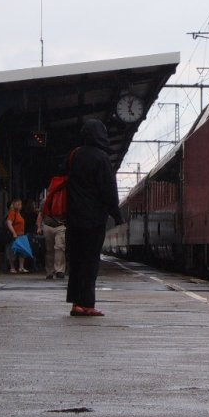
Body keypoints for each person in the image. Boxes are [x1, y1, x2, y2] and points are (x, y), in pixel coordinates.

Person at [66, 119, 123, 317]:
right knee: (90, 261)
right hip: (93, 219)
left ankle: (75, 303)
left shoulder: (74, 155)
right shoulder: (102, 158)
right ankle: (87, 305)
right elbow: (108, 190)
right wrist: (116, 214)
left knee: (76, 261)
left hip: (73, 218)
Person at [37, 174, 67, 280]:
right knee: (55, 249)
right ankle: (51, 271)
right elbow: (41, 214)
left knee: (58, 248)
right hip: (54, 225)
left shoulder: (47, 201)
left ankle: (58, 270)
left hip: (57, 226)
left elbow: (40, 215)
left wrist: (39, 227)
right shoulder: (46, 202)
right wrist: (39, 227)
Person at [5, 198, 28, 273]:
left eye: (21, 204)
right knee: (12, 251)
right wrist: (14, 232)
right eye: (19, 204)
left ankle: (21, 267)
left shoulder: (19, 213)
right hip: (15, 235)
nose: (21, 206)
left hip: (21, 235)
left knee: (22, 250)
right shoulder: (12, 213)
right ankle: (12, 267)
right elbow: (9, 223)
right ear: (16, 205)